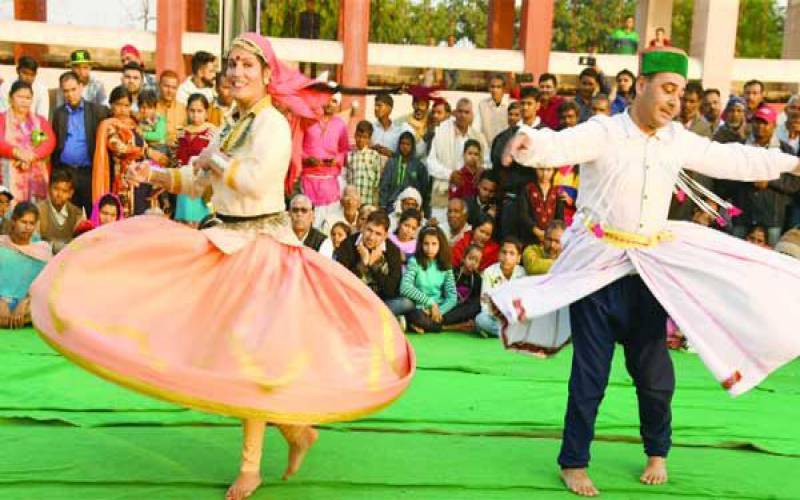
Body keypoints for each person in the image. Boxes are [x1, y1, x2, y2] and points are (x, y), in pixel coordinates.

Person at [32, 33, 413, 500]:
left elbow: (255, 181)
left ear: (267, 75)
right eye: (231, 64)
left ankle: (253, 466)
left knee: (250, 359)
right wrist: (155, 174)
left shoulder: (271, 124)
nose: (236, 72)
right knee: (226, 352)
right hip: (226, 241)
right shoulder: (232, 122)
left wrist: (214, 158)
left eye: (246, 65)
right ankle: (295, 431)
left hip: (265, 250)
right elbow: (200, 181)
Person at [492, 47, 800, 497]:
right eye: (667, 90)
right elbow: (559, 144)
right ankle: (573, 461)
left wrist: (790, 161)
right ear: (641, 86)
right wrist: (527, 141)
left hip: (649, 274)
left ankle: (658, 450)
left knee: (655, 377)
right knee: (590, 375)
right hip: (597, 270)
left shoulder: (677, 139)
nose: (675, 102)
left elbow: (732, 158)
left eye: (681, 93)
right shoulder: (605, 131)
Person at [52, 71, 109, 217]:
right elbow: (55, 141)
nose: (70, 94)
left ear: (81, 87)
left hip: (88, 172)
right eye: (66, 91)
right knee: (66, 216)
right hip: (66, 172)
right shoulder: (59, 114)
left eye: (73, 89)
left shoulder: (97, 111)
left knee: (92, 213)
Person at [337, 209, 408, 316]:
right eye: (369, 230)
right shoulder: (347, 245)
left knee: (406, 303)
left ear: (385, 235)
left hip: (380, 302)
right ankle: (380, 318)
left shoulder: (393, 250)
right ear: (363, 227)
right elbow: (341, 284)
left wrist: (373, 265)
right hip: (353, 300)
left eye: (378, 234)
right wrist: (362, 264)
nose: (371, 237)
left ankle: (370, 316)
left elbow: (392, 291)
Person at [427, 98, 488, 220]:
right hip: (443, 193)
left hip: (469, 196)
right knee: (441, 232)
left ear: (472, 115)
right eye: (460, 111)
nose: (463, 115)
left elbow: (487, 162)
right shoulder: (441, 132)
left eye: (467, 112)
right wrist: (450, 174)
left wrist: (482, 170)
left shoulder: (479, 137)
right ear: (454, 113)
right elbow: (430, 163)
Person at [92, 86, 148, 216]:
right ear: (111, 105)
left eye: (126, 105)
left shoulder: (134, 125)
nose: (123, 109)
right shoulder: (109, 126)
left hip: (140, 182)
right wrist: (145, 152)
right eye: (118, 105)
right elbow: (120, 149)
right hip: (122, 182)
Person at [0, 81, 56, 203]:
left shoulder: (39, 122)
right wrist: (17, 153)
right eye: (20, 97)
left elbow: (48, 142)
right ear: (10, 98)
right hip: (7, 178)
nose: (24, 101)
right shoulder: (2, 119)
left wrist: (31, 156)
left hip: (35, 180)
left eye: (28, 98)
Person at [0, 202, 51, 328]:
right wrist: (1, 301)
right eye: (23, 222)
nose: (28, 227)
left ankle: (17, 318)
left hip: (27, 305)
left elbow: (46, 286)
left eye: (32, 223)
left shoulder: (43, 250)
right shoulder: (2, 244)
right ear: (13, 221)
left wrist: (26, 301)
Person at [301, 93, 349, 224]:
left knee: (329, 221)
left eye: (334, 101)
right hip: (307, 178)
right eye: (327, 99)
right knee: (306, 219)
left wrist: (336, 160)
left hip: (330, 181)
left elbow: (344, 149)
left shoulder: (341, 125)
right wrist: (306, 158)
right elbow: (295, 146)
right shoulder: (307, 120)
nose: (329, 104)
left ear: (338, 105)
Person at [400, 225, 457, 333]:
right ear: (420, 244)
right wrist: (430, 303)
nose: (430, 248)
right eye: (426, 244)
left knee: (470, 307)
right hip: (419, 308)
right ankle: (446, 327)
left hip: (439, 309)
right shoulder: (414, 262)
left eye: (434, 244)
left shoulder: (446, 265)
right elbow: (404, 287)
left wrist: (438, 311)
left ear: (441, 245)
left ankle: (425, 325)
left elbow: (452, 296)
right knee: (414, 314)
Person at [174, 93, 215, 226]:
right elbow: (176, 157)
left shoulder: (212, 133)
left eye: (199, 111)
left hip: (202, 185)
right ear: (187, 111)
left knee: (202, 224)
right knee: (183, 224)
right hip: (183, 184)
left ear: (206, 113)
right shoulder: (181, 132)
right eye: (192, 111)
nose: (195, 115)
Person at [474, 236, 525, 337]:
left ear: (518, 258)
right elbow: (485, 304)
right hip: (496, 317)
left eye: (512, 254)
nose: (507, 257)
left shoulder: (523, 273)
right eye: (504, 252)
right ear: (498, 254)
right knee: (480, 319)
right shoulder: (489, 273)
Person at [379, 131, 430, 218]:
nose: (405, 146)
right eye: (402, 143)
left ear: (412, 146)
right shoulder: (392, 162)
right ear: (399, 145)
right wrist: (383, 206)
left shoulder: (419, 166)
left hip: (412, 206)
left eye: (408, 144)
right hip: (392, 205)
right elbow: (384, 185)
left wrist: (424, 209)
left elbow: (424, 190)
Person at [35, 168, 85, 253]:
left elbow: (79, 244)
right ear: (49, 188)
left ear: (71, 193)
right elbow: (34, 243)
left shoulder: (77, 214)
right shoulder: (38, 211)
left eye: (64, 191)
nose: (59, 194)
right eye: (56, 189)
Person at [440, 243, 483, 332]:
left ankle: (443, 323)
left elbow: (474, 301)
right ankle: (446, 323)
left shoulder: (477, 279)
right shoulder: (452, 272)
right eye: (471, 258)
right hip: (446, 306)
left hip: (462, 310)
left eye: (477, 261)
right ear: (463, 258)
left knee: (478, 303)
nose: (473, 263)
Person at [517, 167, 564, 246]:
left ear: (554, 171)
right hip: (529, 237)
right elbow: (523, 214)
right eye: (541, 169)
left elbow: (560, 216)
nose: (545, 174)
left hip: (551, 239)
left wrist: (551, 234)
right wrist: (536, 231)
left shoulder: (558, 190)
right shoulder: (527, 188)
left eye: (548, 170)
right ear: (535, 169)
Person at [346, 120, 383, 206]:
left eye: (365, 137)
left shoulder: (374, 155)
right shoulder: (350, 156)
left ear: (369, 139)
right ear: (355, 135)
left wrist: (375, 203)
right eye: (359, 136)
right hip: (353, 202)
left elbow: (377, 183)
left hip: (368, 201)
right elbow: (348, 181)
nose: (361, 140)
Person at [371, 93, 411, 159]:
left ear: (389, 108)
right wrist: (373, 148)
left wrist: (391, 154)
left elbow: (405, 154)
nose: (376, 108)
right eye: (375, 106)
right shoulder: (371, 128)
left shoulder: (399, 130)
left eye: (379, 105)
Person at [156, 70, 187, 147]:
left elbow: (184, 133)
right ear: (159, 85)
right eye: (166, 86)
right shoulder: (151, 107)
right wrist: (164, 142)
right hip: (156, 152)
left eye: (174, 87)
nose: (169, 91)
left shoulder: (183, 109)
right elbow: (144, 135)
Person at [477, 74, 509, 145]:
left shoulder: (509, 106)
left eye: (498, 87)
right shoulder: (482, 105)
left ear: (504, 89)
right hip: (487, 147)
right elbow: (478, 129)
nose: (495, 90)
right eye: (492, 87)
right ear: (489, 88)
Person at [298, 0, 322, 77]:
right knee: (302, 62)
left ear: (314, 5)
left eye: (312, 4)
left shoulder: (317, 16)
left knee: (313, 63)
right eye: (308, 3)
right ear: (306, 4)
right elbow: (299, 28)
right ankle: (300, 79)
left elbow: (318, 29)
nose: (310, 5)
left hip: (314, 42)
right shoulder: (302, 15)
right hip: (304, 42)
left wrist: (316, 37)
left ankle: (313, 80)